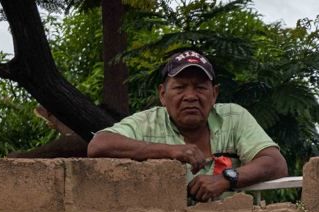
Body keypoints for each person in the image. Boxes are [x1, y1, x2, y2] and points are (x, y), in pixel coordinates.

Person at [87, 49, 288, 203]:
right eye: (180, 87)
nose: (190, 96)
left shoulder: (234, 117)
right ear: (162, 95)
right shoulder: (148, 122)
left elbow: (276, 164)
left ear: (214, 94)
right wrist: (170, 151)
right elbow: (99, 145)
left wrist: (225, 179)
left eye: (200, 87)